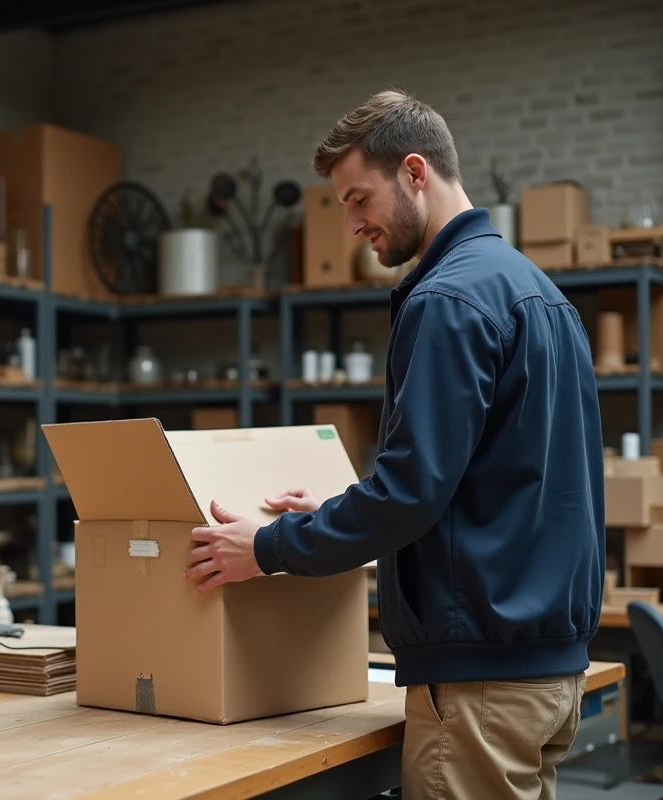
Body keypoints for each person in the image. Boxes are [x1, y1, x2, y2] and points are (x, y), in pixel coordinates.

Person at [182, 89, 606, 800]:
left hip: (480, 685)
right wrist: (344, 510)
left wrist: (265, 547)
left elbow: (412, 492)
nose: (351, 225)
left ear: (415, 172)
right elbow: (489, 483)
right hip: (548, 673)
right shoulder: (537, 293)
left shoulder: (447, 300)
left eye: (358, 199)